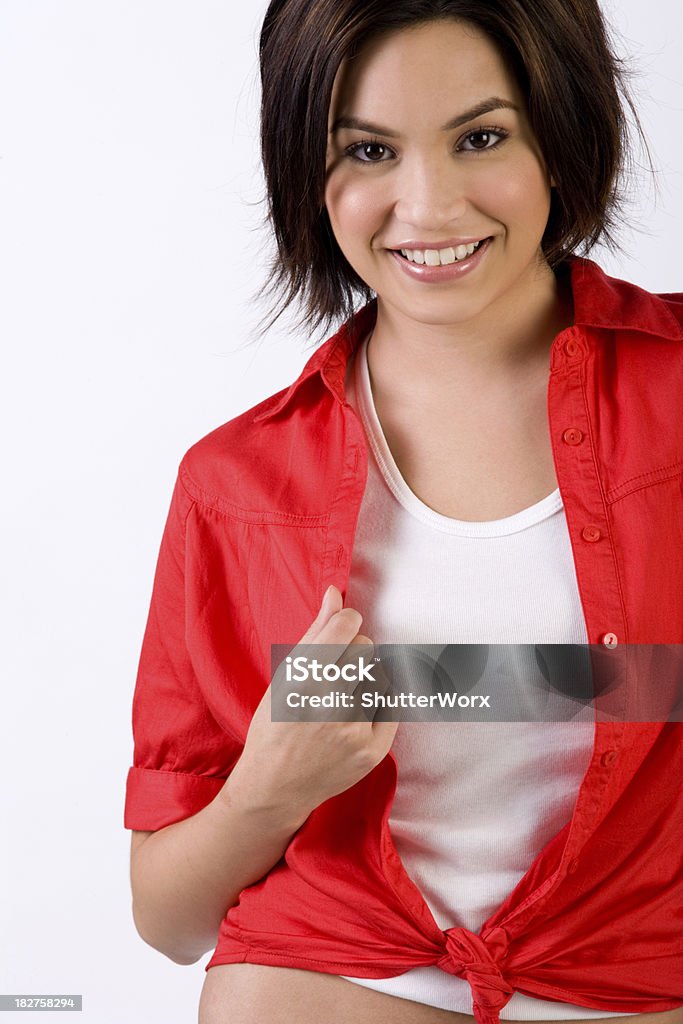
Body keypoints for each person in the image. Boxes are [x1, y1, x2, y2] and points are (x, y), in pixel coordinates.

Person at [124, 2, 683, 1023]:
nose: (425, 207)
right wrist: (270, 783)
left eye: (480, 136)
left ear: (559, 136)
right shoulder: (232, 484)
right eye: (368, 150)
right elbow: (167, 918)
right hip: (331, 984)